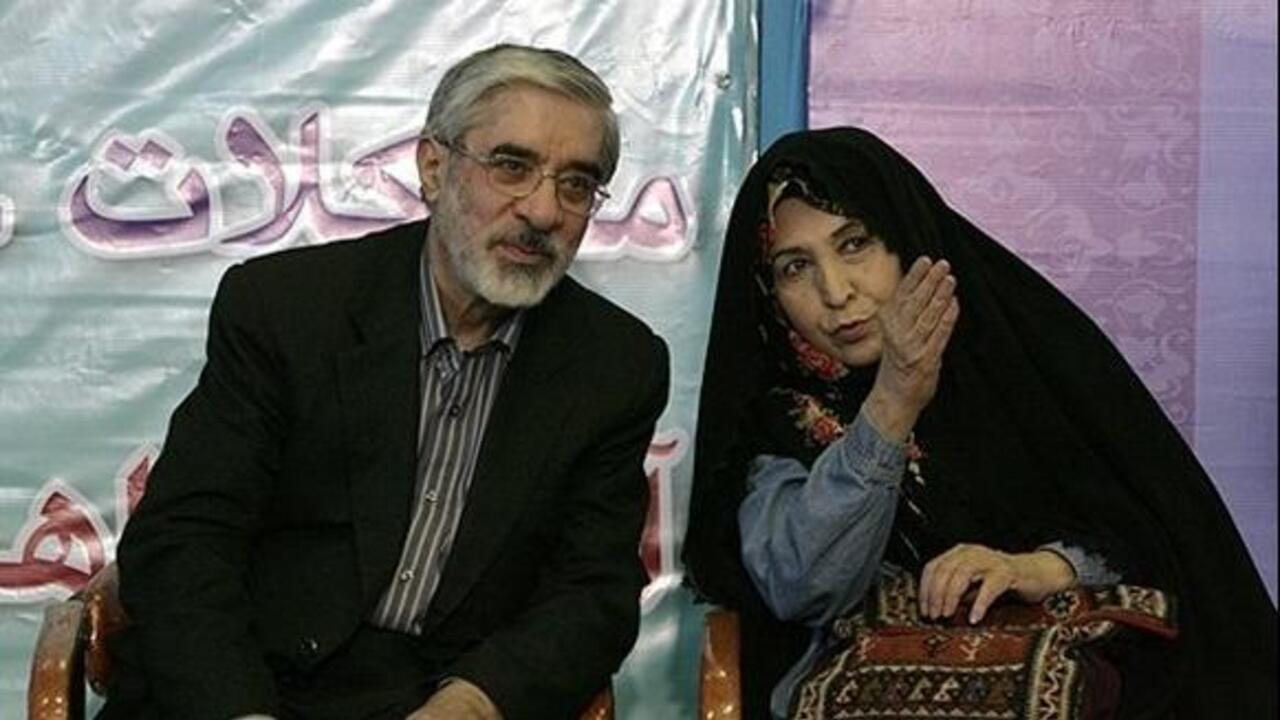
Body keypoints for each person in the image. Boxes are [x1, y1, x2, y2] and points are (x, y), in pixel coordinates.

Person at [100, 43, 669, 720]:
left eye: (575, 184)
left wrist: (476, 702)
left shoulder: (615, 365)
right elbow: (183, 539)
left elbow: (592, 591)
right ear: (434, 167)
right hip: (244, 679)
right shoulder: (288, 310)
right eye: (512, 167)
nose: (543, 211)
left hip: (438, 696)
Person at [682, 127, 1276, 719]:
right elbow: (806, 587)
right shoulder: (775, 419)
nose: (835, 292)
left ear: (905, 239)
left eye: (855, 243)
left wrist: (1036, 568)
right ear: (768, 291)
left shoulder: (1023, 354)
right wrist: (891, 407)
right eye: (794, 267)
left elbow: (1151, 535)